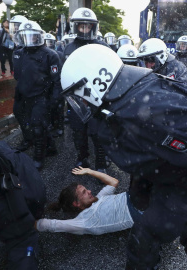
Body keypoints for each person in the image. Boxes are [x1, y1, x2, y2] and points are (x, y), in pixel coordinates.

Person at [60, 44, 187, 269]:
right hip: (168, 170)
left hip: (186, 179)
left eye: (79, 95)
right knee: (143, 229)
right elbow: (147, 147)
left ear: (95, 83)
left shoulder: (152, 107)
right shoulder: (125, 97)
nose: (80, 103)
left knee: (143, 237)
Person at [63, 7, 111, 172]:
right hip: (76, 97)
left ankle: (101, 164)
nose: (84, 29)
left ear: (93, 27)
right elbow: (64, 73)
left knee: (98, 133)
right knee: (78, 132)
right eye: (81, 26)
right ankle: (82, 158)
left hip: (97, 96)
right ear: (75, 27)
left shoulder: (103, 46)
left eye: (88, 26)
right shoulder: (68, 48)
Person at [35, 167, 143, 235]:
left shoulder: (97, 199)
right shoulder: (84, 222)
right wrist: (25, 222)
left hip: (135, 195)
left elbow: (113, 182)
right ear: (76, 203)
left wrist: (89, 171)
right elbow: (51, 225)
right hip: (137, 211)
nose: (90, 191)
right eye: (84, 192)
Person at [13, 20, 62, 170]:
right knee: (29, 121)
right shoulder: (18, 53)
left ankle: (38, 157)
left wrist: (54, 100)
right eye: (26, 36)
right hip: (24, 95)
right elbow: (18, 76)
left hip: (41, 96)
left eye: (33, 36)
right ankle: (51, 147)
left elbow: (57, 81)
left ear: (38, 36)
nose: (30, 39)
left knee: (37, 126)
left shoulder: (50, 55)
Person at [0, 140, 46, 270]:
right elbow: (36, 194)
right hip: (12, 222)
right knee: (23, 245)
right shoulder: (4, 154)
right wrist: (33, 216)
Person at [44, 33, 64, 137]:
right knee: (49, 107)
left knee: (58, 107)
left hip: (57, 82)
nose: (48, 45)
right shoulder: (41, 54)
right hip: (47, 84)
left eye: (50, 42)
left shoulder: (59, 54)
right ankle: (52, 124)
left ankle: (60, 126)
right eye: (46, 42)